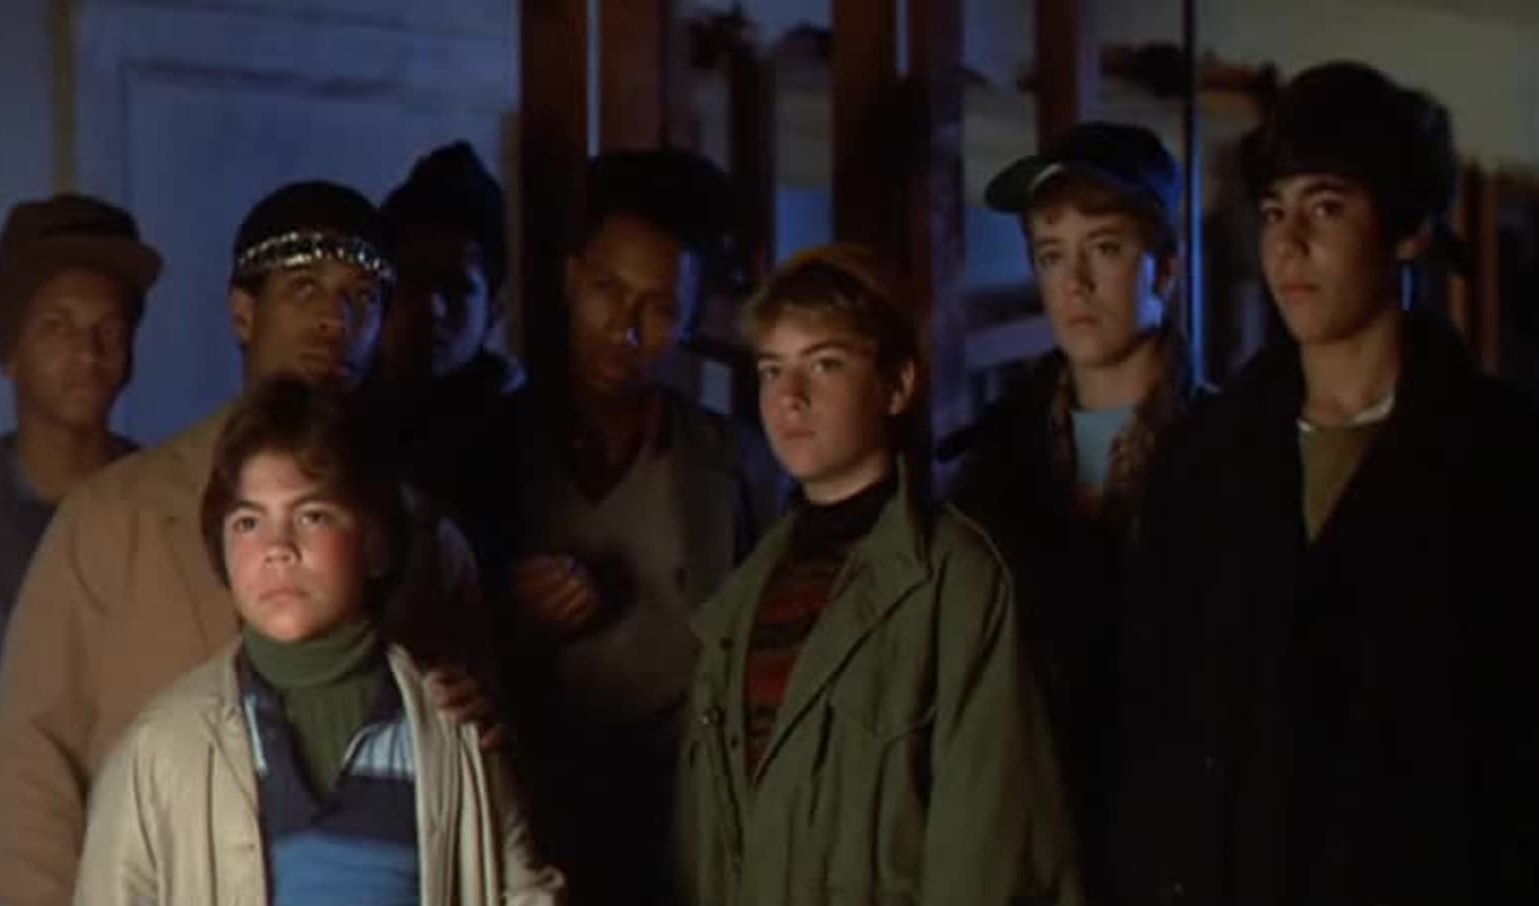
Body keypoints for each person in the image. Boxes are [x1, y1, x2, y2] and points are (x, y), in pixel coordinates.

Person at [1110, 61, 1539, 905]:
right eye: (1272, 211)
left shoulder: (1510, 466)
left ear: (1407, 229)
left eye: (1326, 207)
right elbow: (1157, 728)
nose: (1288, 243)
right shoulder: (1206, 457)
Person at [0, 181, 493, 906]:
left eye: (361, 297)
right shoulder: (115, 517)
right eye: (305, 289)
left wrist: (479, 719)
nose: (334, 320)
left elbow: (480, 787)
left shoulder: (423, 538)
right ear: (243, 312)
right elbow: (33, 762)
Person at [676, 243, 1082, 906]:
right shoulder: (742, 598)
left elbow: (989, 854)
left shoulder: (956, 581)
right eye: (773, 370)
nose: (790, 398)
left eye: (825, 364)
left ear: (896, 385)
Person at [70, 376, 561, 906]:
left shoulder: (452, 732)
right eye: (248, 522)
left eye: (312, 516)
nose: (278, 547)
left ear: (374, 541)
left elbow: (526, 893)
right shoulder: (160, 749)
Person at [501, 149, 779, 906]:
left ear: (689, 319)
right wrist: (510, 613)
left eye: (657, 307)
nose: (623, 328)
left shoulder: (733, 464)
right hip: (528, 813)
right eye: (606, 291)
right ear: (570, 280)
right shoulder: (488, 450)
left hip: (686, 823)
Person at [942, 124, 1199, 889]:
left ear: (1165, 269)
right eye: (1052, 255)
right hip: (1036, 851)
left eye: (1106, 248)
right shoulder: (994, 467)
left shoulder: (1230, 454)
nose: (1074, 283)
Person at [0, 194, 159, 905]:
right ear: (9, 349)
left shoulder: (172, 512)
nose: (87, 353)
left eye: (110, 329)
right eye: (57, 326)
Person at [371, 141, 521, 552]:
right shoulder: (339, 417)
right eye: (411, 281)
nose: (433, 307)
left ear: (494, 309)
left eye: (456, 287)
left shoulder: (527, 436)